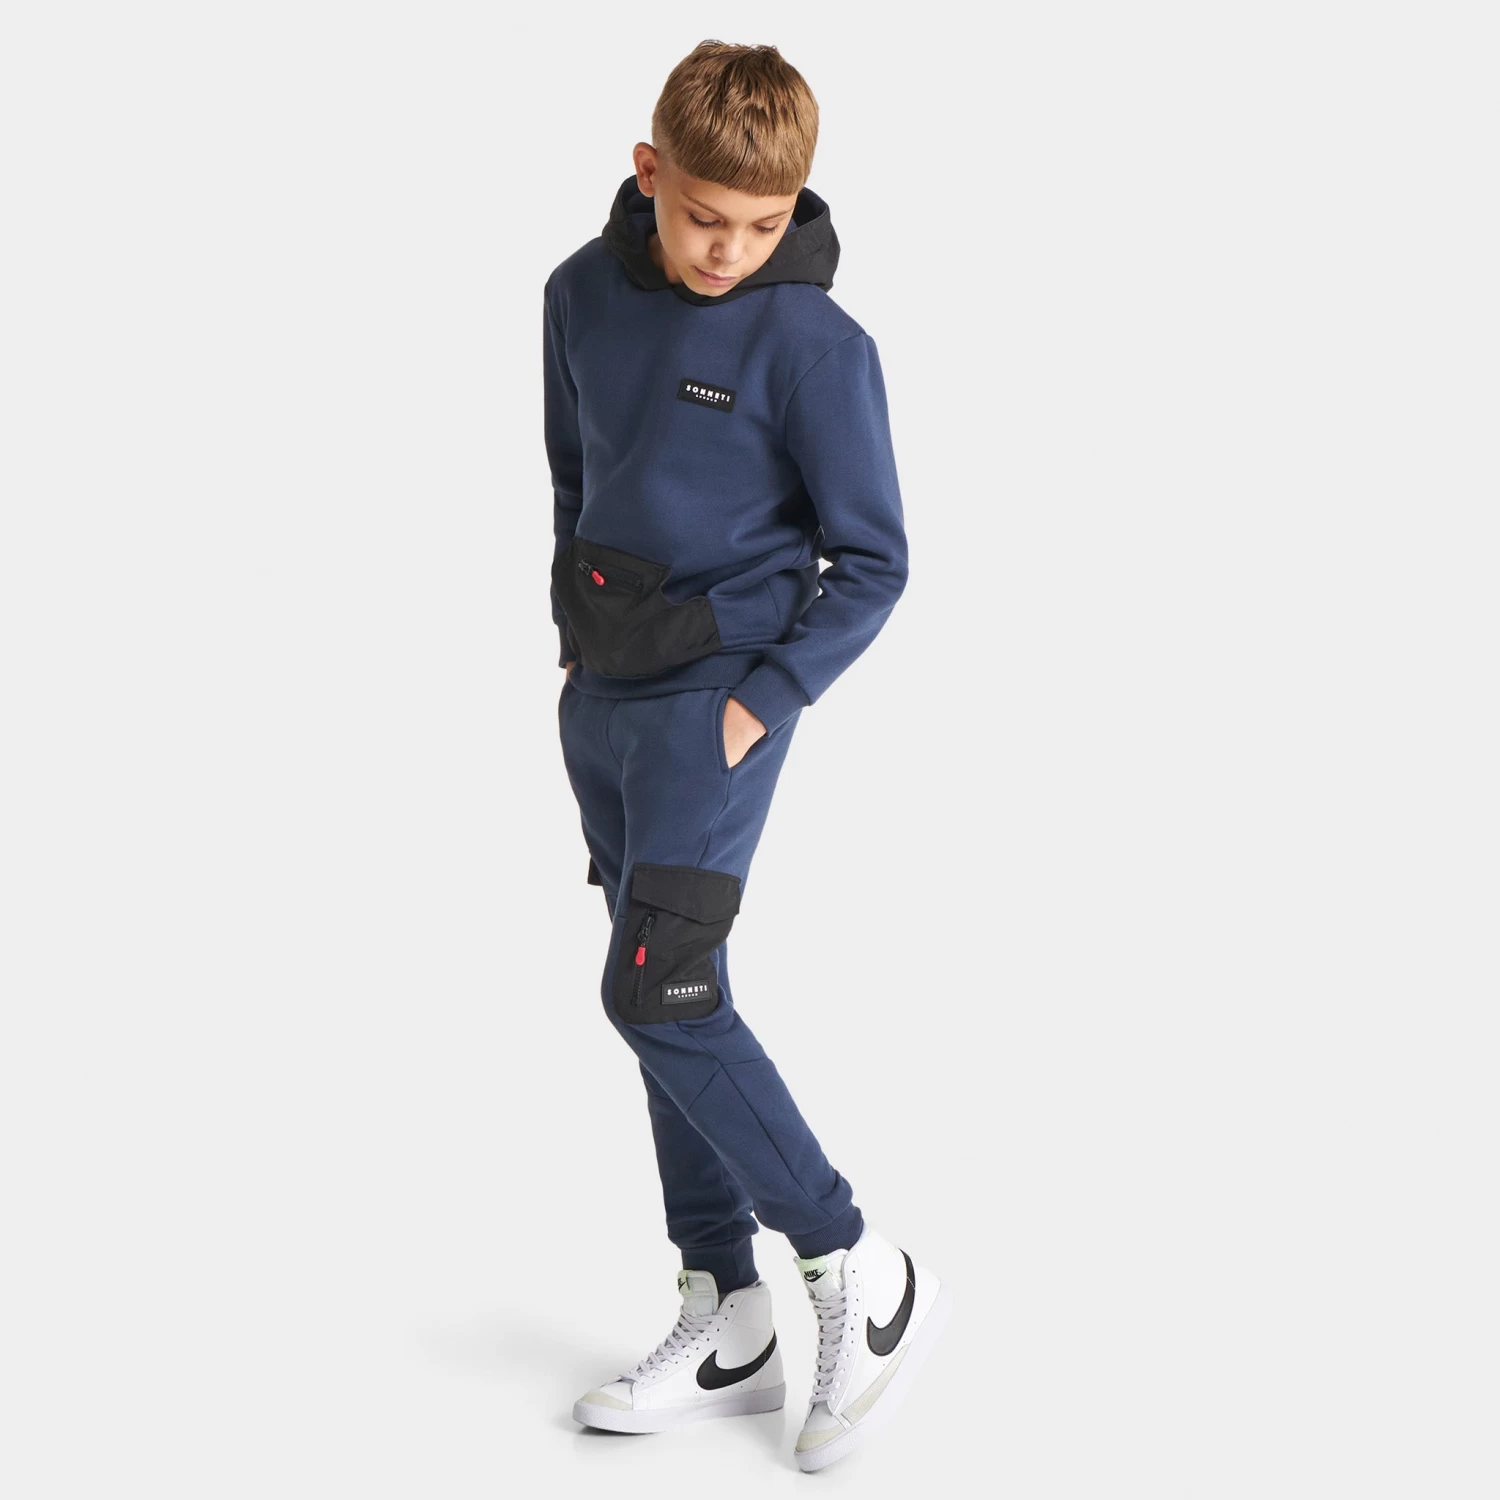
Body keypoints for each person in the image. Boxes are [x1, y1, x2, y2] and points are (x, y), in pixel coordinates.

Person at [544, 40, 949, 1472]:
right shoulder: (578, 294)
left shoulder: (817, 347)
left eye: (764, 226)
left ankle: (854, 1267)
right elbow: (576, 475)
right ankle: (725, 1309)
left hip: (721, 700)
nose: (730, 251)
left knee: (660, 990)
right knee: (658, 998)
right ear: (648, 171)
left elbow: (875, 560)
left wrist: (762, 699)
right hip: (604, 696)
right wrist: (575, 645)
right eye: (705, 216)